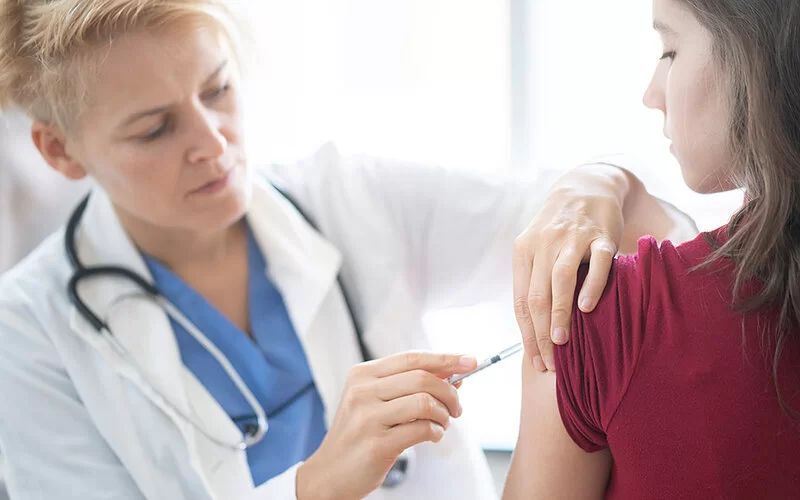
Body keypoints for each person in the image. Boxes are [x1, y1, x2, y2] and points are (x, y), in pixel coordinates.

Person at [0, 1, 695, 499]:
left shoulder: (348, 199)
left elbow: (645, 219)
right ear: (60, 151)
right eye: (155, 129)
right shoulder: (27, 334)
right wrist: (316, 487)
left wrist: (595, 182)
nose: (213, 144)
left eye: (218, 90)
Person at [505, 0, 800, 498]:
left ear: (758, 53)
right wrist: (605, 179)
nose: (651, 94)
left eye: (670, 50)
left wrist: (596, 181)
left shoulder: (597, 317)